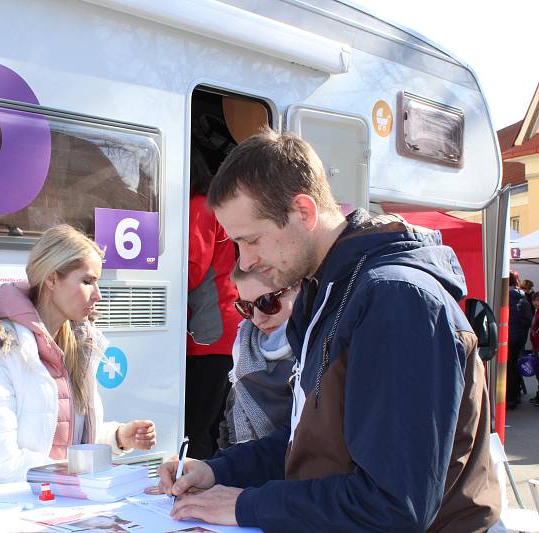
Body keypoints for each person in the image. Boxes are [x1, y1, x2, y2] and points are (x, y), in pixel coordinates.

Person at [159, 128, 499, 531]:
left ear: (303, 211)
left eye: (252, 241)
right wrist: (220, 470)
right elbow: (311, 442)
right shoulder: (330, 293)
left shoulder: (396, 300)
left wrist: (248, 505)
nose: (246, 262)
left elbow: (392, 505)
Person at [0, 224, 156, 486]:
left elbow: (67, 440)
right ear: (51, 279)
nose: (98, 295)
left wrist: (117, 437)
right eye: (87, 281)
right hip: (4, 511)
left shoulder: (77, 346)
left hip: (54, 507)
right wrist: (77, 475)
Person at [185, 148, 241, 459]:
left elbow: (191, 270)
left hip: (208, 335)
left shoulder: (198, 207)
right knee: (207, 427)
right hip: (218, 333)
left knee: (196, 430)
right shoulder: (210, 206)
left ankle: (197, 495)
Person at [217, 263, 296, 448]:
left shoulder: (317, 347)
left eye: (267, 302)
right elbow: (228, 426)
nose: (258, 318)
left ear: (298, 287)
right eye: (247, 308)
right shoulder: (246, 347)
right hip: (245, 469)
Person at [507, 271, 532, 408]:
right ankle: (513, 397)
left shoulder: (500, 295)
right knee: (514, 367)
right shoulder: (521, 298)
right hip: (517, 339)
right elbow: (527, 319)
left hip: (502, 337)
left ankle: (505, 397)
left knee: (504, 368)